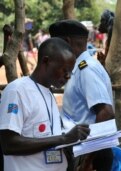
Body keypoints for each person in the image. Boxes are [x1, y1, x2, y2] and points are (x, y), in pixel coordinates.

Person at [0, 38, 90, 171]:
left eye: (70, 71)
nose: (68, 76)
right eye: (64, 70)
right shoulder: (17, 91)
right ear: (45, 61)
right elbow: (9, 144)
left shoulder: (48, 92)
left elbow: (49, 139)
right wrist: (63, 139)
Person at [49, 19, 115, 171]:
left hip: (90, 155)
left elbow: (106, 113)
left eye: (55, 44)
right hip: (84, 151)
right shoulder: (80, 67)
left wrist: (88, 160)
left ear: (66, 42)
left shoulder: (87, 69)